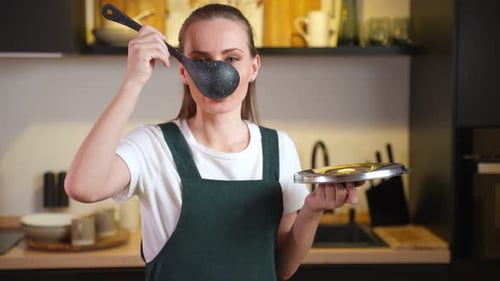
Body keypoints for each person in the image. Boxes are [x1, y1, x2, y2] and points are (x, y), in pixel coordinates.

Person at [65, 3, 359, 281]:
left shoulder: (280, 148)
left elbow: (281, 268)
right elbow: (83, 187)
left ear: (253, 67)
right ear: (183, 71)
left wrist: (312, 211)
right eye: (201, 61)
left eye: (231, 58)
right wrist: (134, 81)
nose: (217, 72)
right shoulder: (152, 147)